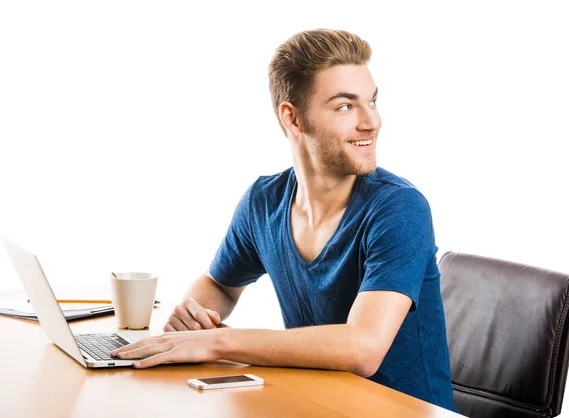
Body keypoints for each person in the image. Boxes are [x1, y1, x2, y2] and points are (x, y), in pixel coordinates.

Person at [112, 28, 458, 412]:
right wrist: (195, 317)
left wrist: (218, 342)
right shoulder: (265, 201)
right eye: (345, 106)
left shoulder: (399, 209)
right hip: (315, 405)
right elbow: (220, 284)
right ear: (293, 119)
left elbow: (364, 348)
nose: (371, 122)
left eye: (372, 101)